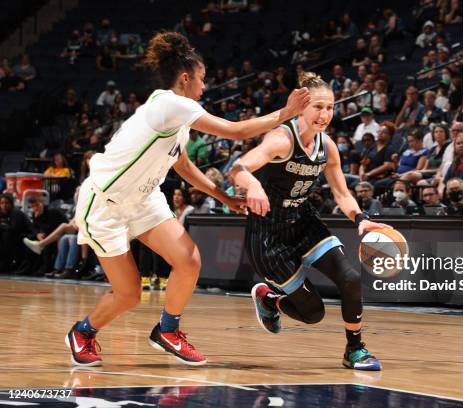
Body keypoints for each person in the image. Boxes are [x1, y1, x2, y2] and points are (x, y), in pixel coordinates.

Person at [65, 32, 310, 367]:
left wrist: (222, 195)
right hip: (106, 204)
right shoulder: (171, 104)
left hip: (143, 198)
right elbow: (236, 131)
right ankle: (82, 332)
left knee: (189, 260)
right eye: (202, 79)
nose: (204, 86)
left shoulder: (176, 113)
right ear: (185, 78)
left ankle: (168, 331)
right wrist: (287, 112)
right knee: (129, 294)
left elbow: (182, 164)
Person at [229, 72, 391, 371]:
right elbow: (237, 168)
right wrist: (252, 185)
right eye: (318, 106)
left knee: (351, 278)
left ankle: (354, 349)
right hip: (268, 233)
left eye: (329, 108)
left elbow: (342, 194)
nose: (324, 114)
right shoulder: (281, 138)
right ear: (302, 106)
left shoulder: (327, 147)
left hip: (303, 221)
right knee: (312, 313)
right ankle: (270, 301)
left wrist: (362, 218)